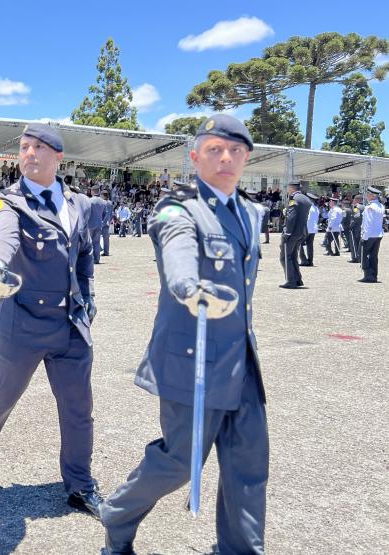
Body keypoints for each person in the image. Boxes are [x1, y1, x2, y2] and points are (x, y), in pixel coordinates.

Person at [101, 114, 267, 555]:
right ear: (195, 158)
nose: (225, 157)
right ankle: (117, 514)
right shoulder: (177, 210)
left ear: (247, 158)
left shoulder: (251, 213)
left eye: (235, 150)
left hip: (241, 363)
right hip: (192, 359)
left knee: (248, 466)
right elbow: (178, 252)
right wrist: (189, 287)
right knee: (179, 463)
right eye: (214, 149)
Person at [0, 123, 101, 517]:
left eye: (39, 146)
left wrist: (88, 295)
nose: (29, 153)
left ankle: (80, 484)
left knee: (78, 408)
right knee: (1, 398)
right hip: (22, 322)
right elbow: (2, 236)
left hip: (70, 326)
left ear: (58, 157)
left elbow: (85, 253)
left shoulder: (77, 204)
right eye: (24, 146)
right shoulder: (8, 202)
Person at [279, 181, 311, 289]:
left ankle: (291, 280)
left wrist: (287, 232)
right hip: (302, 231)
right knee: (293, 256)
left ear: (291, 188)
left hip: (292, 232)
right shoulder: (305, 199)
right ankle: (297, 279)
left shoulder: (294, 199)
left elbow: (292, 217)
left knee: (285, 257)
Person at [359, 185, 384, 283]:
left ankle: (368, 274)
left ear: (372, 195)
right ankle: (374, 275)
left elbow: (368, 223)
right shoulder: (381, 206)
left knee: (362, 254)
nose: (366, 196)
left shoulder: (369, 207)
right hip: (378, 234)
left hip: (369, 235)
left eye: (368, 194)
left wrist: (364, 237)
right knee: (374, 256)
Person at [299, 193, 319, 266]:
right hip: (313, 229)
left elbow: (307, 219)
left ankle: (304, 260)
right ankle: (310, 261)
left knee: (299, 244)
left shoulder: (307, 207)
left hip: (307, 228)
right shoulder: (316, 208)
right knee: (310, 245)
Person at [346, 195, 363, 264]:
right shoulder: (364, 206)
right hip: (361, 228)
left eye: (354, 199)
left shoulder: (356, 207)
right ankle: (360, 257)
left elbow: (356, 217)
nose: (353, 201)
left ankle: (355, 257)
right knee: (359, 243)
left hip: (355, 228)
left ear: (357, 200)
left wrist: (351, 226)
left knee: (354, 243)